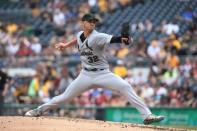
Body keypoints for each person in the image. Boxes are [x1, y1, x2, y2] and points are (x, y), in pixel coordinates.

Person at [25, 13, 164, 125]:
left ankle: (147, 116)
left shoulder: (98, 36)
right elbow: (78, 40)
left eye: (94, 22)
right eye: (90, 21)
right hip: (85, 75)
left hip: (103, 74)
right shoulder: (80, 34)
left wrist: (126, 39)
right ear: (83, 23)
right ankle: (38, 111)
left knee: (125, 87)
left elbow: (117, 39)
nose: (93, 23)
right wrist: (65, 45)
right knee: (64, 97)